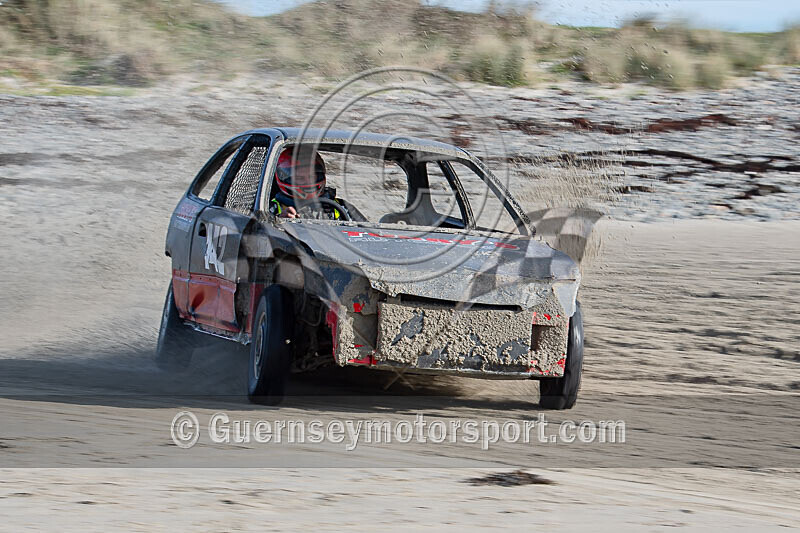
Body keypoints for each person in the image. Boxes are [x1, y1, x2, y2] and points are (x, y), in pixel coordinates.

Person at [269, 147, 362, 220]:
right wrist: (279, 224)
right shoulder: (269, 208)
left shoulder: (342, 207)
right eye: (299, 178)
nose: (307, 182)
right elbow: (260, 237)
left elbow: (371, 236)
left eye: (311, 177)